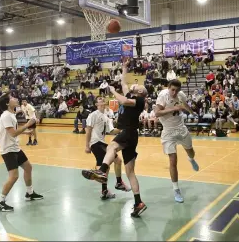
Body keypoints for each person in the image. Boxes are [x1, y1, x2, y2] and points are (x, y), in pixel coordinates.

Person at [81, 59, 148, 217]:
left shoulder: (139, 100)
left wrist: (113, 92)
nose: (135, 84)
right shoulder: (132, 95)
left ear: (140, 92)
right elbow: (124, 82)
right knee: (130, 171)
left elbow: (123, 100)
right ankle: (138, 202)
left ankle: (103, 171)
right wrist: (124, 68)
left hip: (129, 131)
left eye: (138, 86)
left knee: (111, 147)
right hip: (131, 134)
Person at [0, 93, 43, 212]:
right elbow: (13, 133)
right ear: (7, 103)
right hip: (8, 150)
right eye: (12, 98)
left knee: (28, 168)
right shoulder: (6, 116)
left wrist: (26, 132)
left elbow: (12, 131)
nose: (15, 98)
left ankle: (29, 193)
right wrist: (28, 124)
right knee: (14, 176)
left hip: (15, 147)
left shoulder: (11, 114)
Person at [154, 79, 200, 203]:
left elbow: (184, 104)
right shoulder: (163, 95)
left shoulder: (181, 95)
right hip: (168, 132)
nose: (174, 93)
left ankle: (191, 159)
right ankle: (176, 189)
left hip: (181, 128)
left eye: (177, 90)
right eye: (172, 90)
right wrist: (174, 108)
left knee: (191, 152)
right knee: (173, 160)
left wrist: (191, 112)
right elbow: (157, 113)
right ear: (168, 87)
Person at [85, 97, 131, 200]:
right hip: (95, 143)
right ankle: (115, 184)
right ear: (96, 104)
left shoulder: (106, 117)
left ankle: (107, 189)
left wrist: (122, 128)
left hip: (101, 143)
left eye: (103, 100)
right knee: (109, 164)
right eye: (99, 100)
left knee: (115, 162)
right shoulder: (93, 115)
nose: (102, 101)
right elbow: (88, 130)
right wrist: (87, 145)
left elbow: (112, 131)